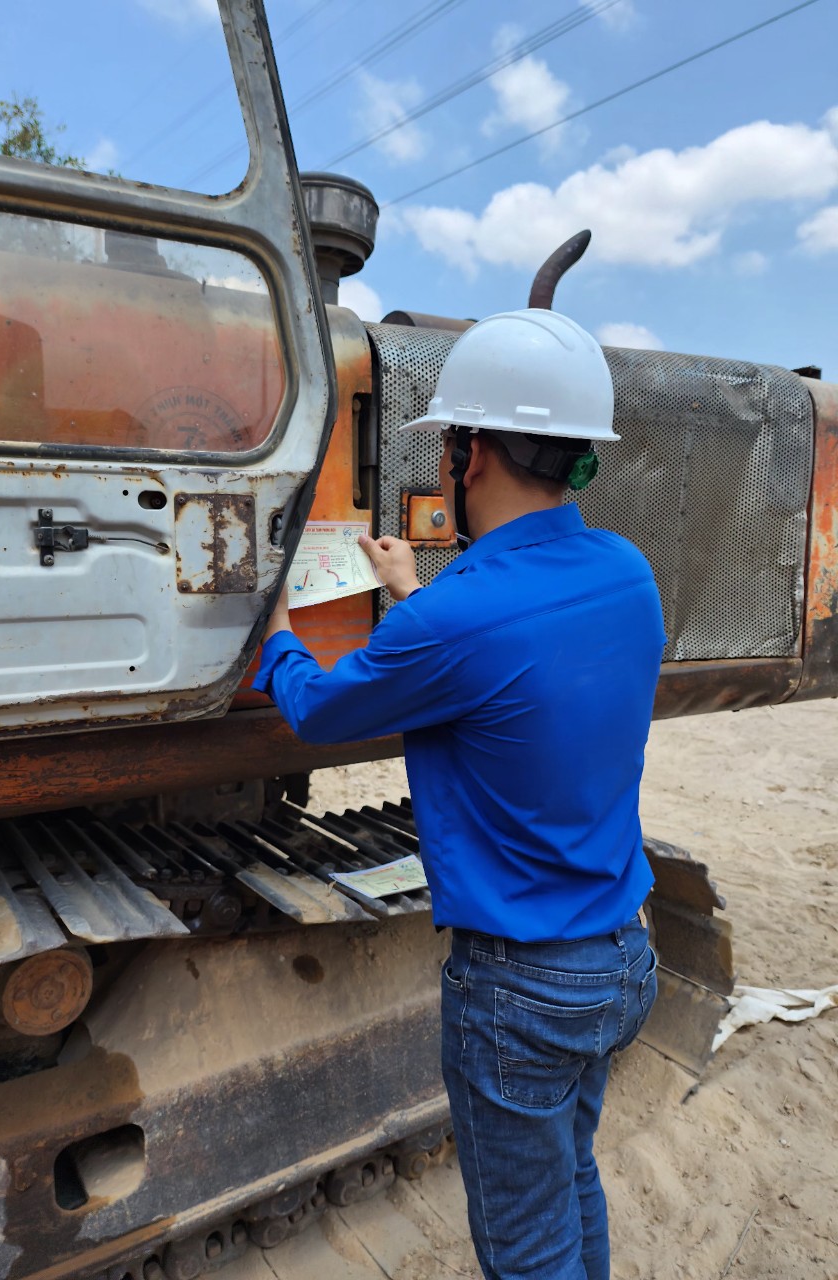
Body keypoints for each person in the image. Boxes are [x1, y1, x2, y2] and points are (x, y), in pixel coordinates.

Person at [252, 308, 666, 1280]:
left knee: (525, 1250)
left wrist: (275, 626)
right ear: (576, 457)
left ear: (468, 455)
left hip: (522, 990)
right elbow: (504, 661)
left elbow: (317, 709)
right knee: (572, 1173)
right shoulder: (628, 572)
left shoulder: (453, 622)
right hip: (623, 956)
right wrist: (414, 592)